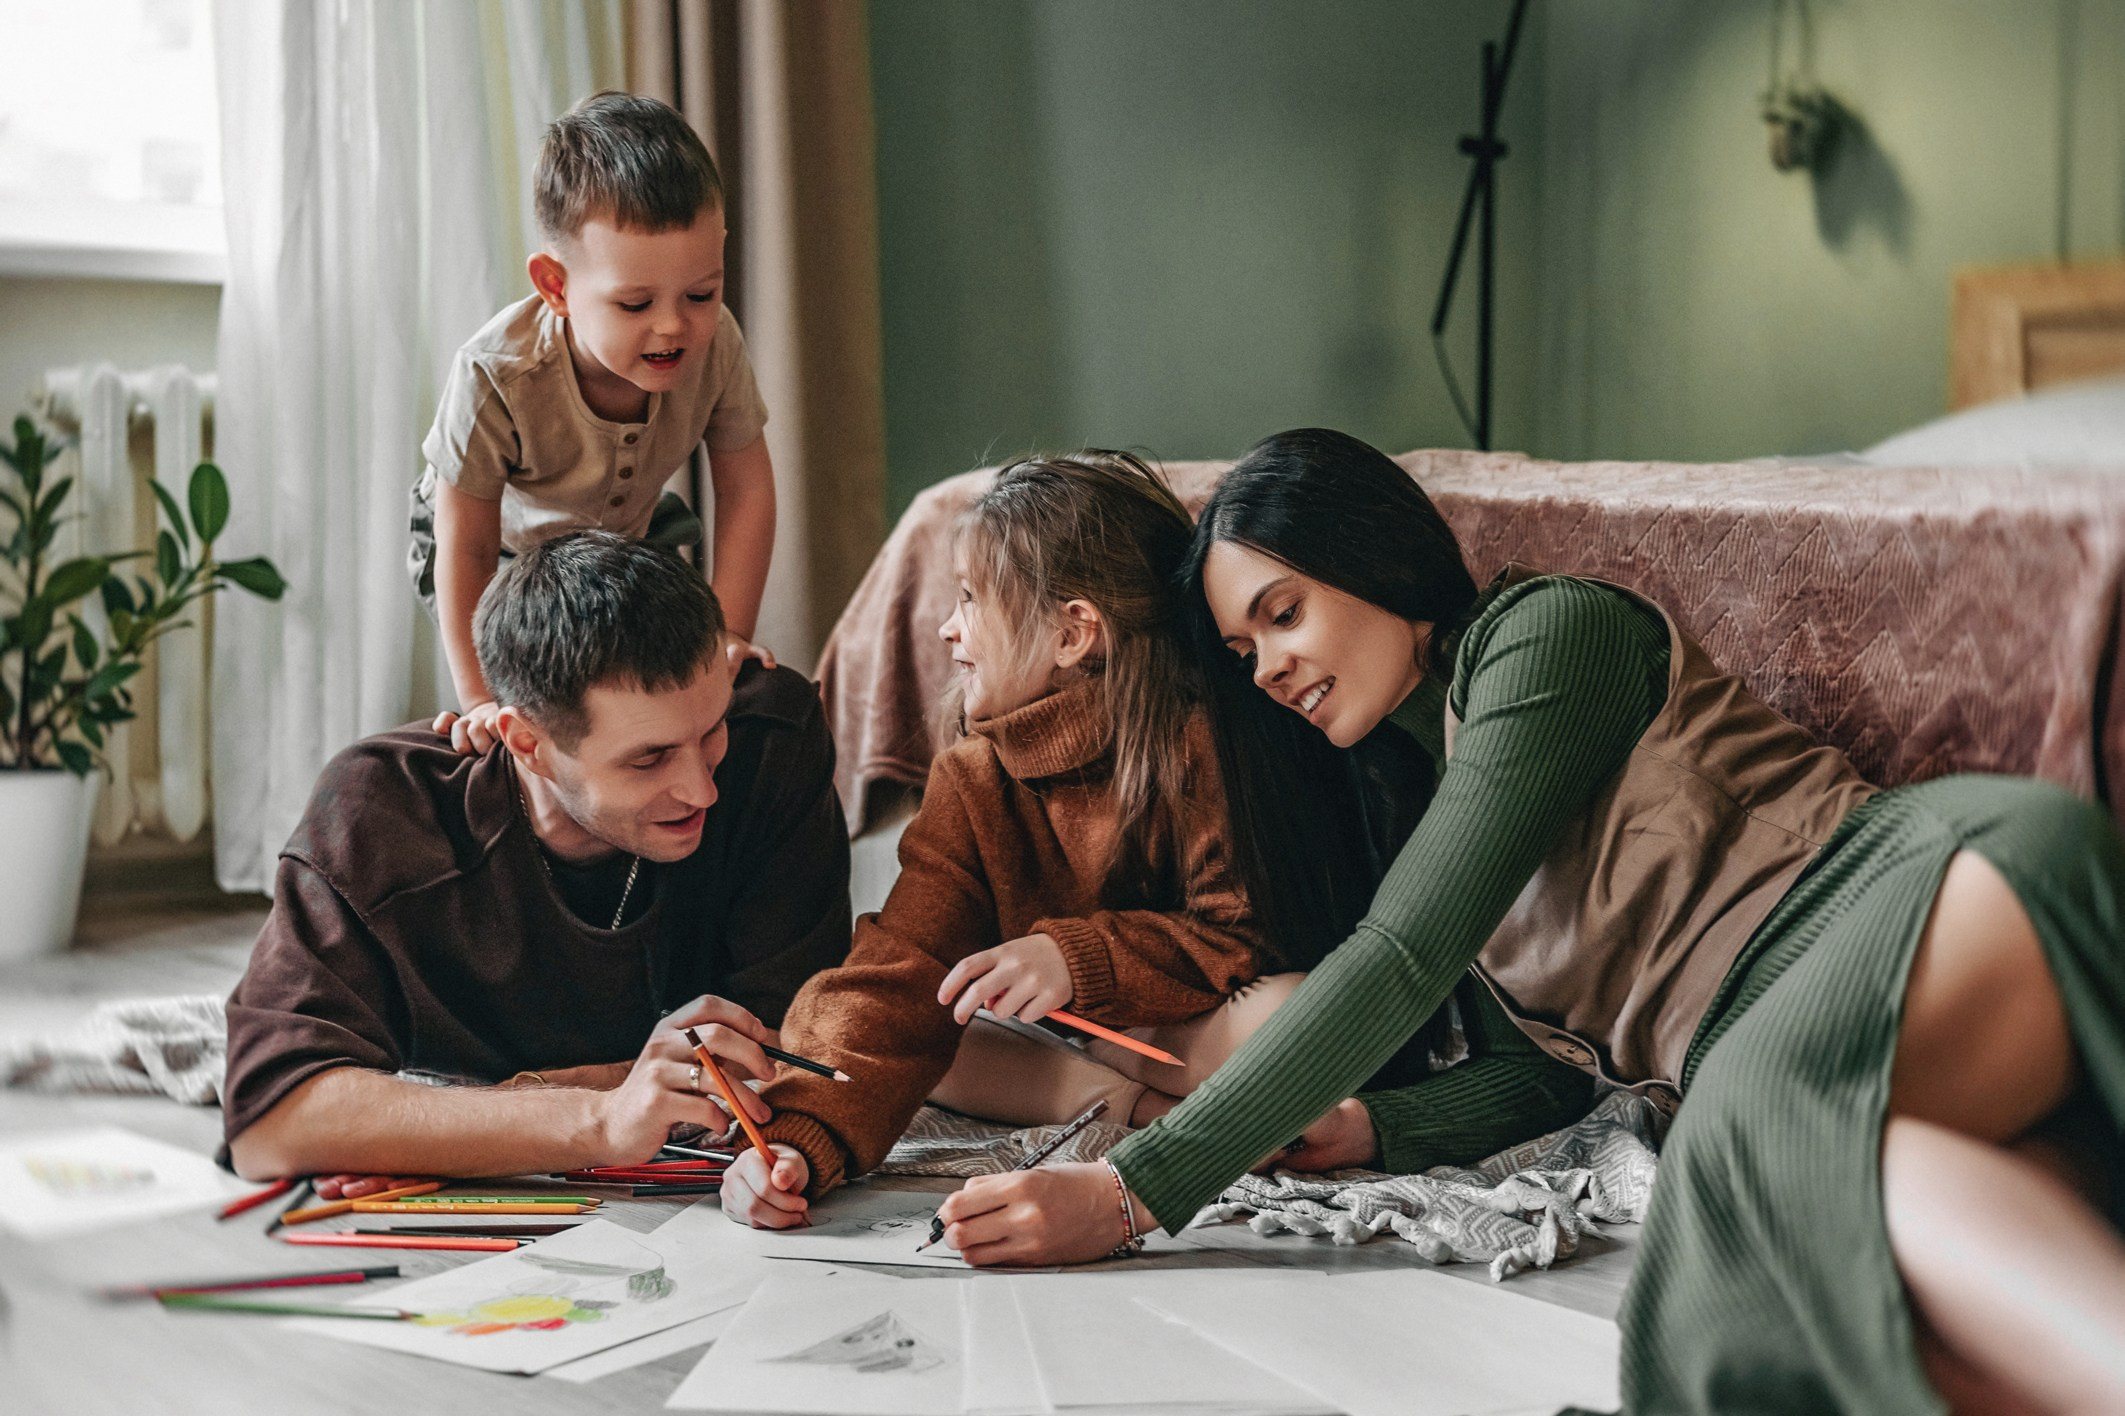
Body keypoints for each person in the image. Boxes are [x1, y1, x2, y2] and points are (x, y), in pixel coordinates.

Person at [937, 428, 2125, 1414]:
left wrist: (1136, 1189)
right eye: (1244, 652)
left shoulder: (1546, 639)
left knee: (1746, 1140)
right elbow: (1546, 1080)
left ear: (1372, 560)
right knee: (1863, 1263)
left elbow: (1397, 960)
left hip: (1923, 893)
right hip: (1801, 1060)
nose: (1270, 671)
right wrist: (1370, 1129)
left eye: (1284, 614)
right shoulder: (1421, 809)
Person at [721, 451, 1592, 1231]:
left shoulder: (1195, 744)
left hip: (1193, 1020)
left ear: (1072, 631)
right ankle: (1130, 1108)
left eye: (970, 601)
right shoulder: (972, 778)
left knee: (1284, 1015)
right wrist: (802, 1137)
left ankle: (1135, 1101)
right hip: (1070, 1042)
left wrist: (1076, 959)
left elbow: (1239, 931)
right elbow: (899, 963)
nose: (948, 630)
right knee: (929, 1026)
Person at [223, 531, 850, 1185]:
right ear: (527, 743)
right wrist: (602, 1120)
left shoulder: (771, 738)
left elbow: (790, 1051)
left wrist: (434, 1130)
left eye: (711, 728)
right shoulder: (380, 813)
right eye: (649, 757)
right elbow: (271, 1122)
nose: (702, 789)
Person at [410, 91, 778, 759]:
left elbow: (748, 491)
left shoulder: (716, 343)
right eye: (635, 303)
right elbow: (463, 542)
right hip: (496, 554)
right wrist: (480, 702)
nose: (673, 325)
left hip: (619, 541)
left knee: (655, 684)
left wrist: (727, 634)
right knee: (554, 713)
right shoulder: (496, 374)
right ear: (556, 286)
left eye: (701, 292)